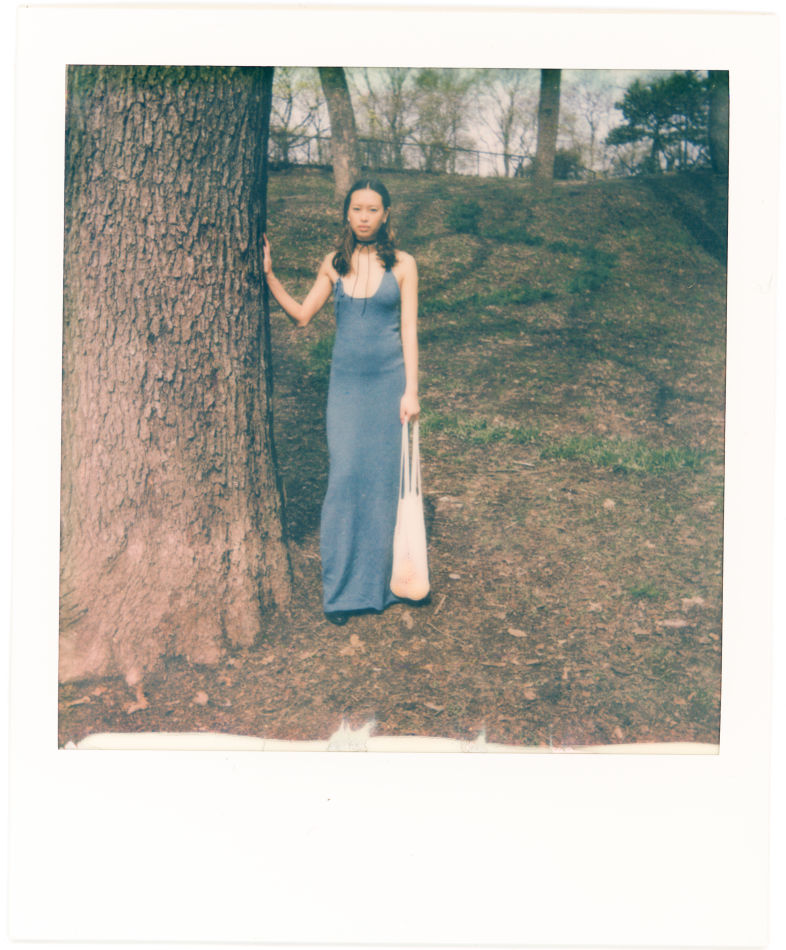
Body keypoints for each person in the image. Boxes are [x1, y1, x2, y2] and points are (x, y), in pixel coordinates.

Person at [263, 179, 420, 625]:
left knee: (382, 484)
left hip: (389, 386)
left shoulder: (404, 264)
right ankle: (341, 593)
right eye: (357, 209)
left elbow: (409, 330)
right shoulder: (334, 263)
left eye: (373, 209)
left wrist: (411, 390)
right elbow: (301, 315)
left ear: (386, 214)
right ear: (347, 214)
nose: (364, 217)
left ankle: (379, 588)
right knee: (346, 477)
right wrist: (269, 275)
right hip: (347, 389)